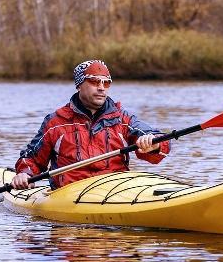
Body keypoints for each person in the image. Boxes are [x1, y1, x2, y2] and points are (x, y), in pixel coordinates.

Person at [12, 59, 170, 190]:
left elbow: (160, 140)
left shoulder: (123, 119)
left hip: (116, 189)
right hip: (70, 193)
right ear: (79, 85)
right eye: (94, 81)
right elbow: (31, 159)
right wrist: (25, 173)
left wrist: (153, 144)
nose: (101, 88)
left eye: (106, 83)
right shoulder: (55, 123)